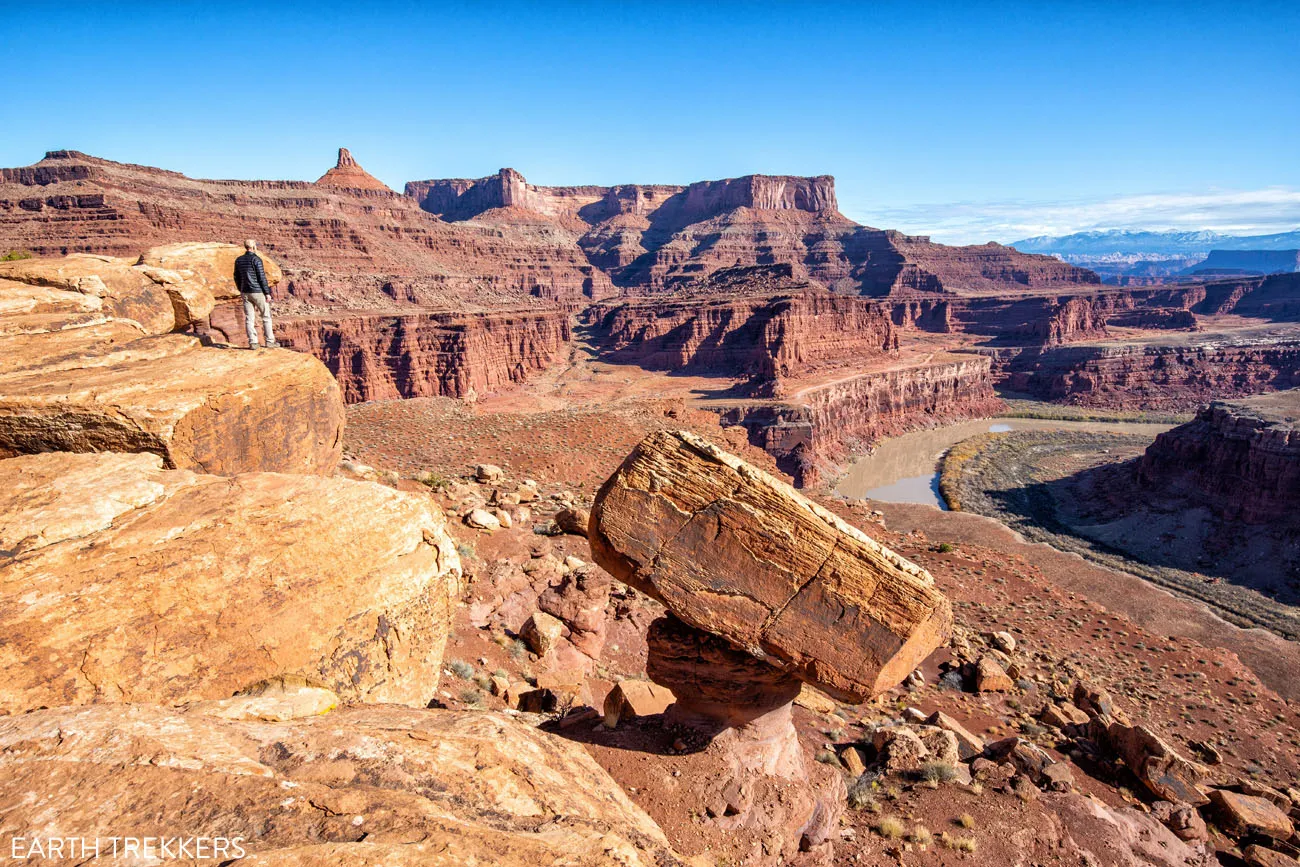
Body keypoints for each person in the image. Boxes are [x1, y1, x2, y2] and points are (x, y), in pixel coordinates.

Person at [233, 239, 277, 349]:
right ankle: (270, 341)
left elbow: (236, 276)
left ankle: (253, 342)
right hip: (257, 292)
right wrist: (267, 293)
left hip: (245, 292)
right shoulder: (256, 259)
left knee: (249, 318)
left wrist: (241, 289)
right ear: (253, 247)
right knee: (266, 316)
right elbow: (262, 277)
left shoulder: (239, 260)